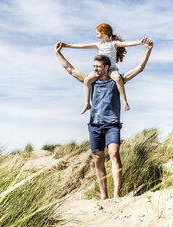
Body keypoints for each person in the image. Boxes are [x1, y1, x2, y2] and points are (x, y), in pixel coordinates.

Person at [54, 39, 153, 199]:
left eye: (97, 67)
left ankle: (116, 194)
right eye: (94, 67)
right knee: (98, 160)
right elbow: (70, 69)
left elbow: (139, 69)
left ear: (106, 67)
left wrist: (147, 50)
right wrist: (58, 53)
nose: (94, 69)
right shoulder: (91, 82)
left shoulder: (116, 81)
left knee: (114, 153)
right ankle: (103, 196)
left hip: (112, 124)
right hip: (95, 126)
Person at [60, 23, 147, 114]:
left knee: (117, 78)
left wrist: (140, 42)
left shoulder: (114, 43)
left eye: (97, 33)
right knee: (86, 81)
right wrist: (66, 45)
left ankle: (125, 101)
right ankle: (87, 103)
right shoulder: (98, 44)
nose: (96, 35)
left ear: (104, 33)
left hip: (111, 69)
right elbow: (82, 46)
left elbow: (127, 44)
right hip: (100, 70)